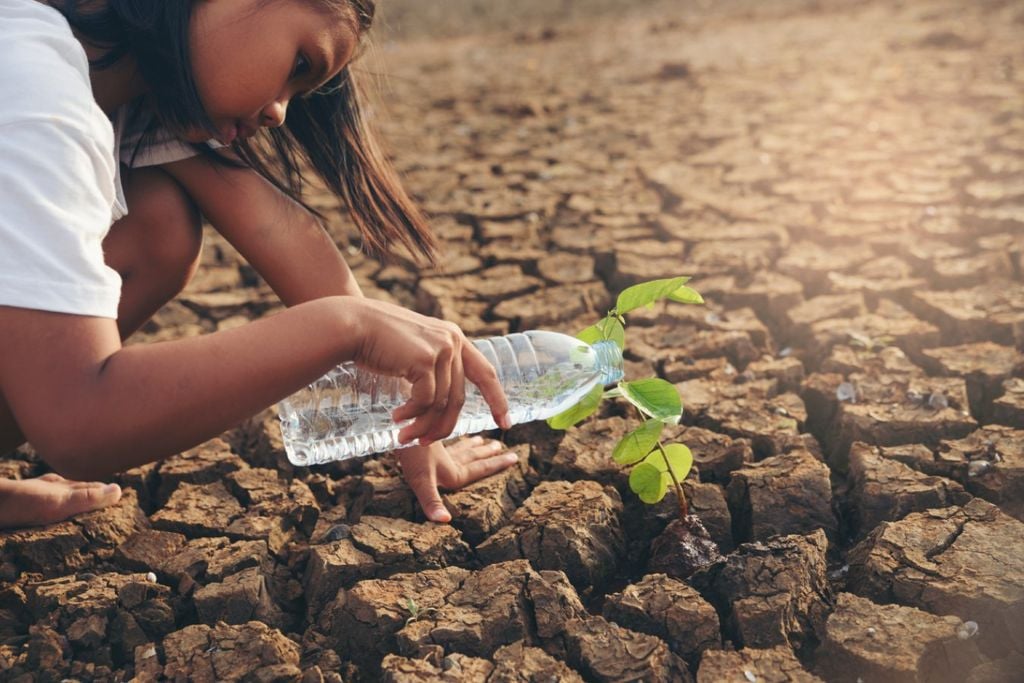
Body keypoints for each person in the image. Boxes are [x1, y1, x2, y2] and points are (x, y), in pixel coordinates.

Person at [0, 0, 517, 529]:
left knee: (161, 225)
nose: (279, 113)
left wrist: (406, 423)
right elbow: (79, 424)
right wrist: (349, 328)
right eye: (299, 66)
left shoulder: (122, 78)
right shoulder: (37, 98)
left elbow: (276, 227)